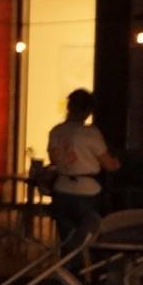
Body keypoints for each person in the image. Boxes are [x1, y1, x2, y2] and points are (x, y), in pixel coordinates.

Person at [46, 87, 117, 247]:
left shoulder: (56, 131)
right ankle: (82, 263)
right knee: (87, 241)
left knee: (67, 241)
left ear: (69, 107)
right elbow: (110, 165)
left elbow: (53, 160)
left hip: (62, 189)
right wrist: (118, 162)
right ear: (88, 111)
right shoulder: (90, 133)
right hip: (87, 192)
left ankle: (67, 262)